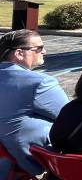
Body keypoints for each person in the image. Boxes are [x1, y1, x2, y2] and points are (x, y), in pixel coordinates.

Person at [0, 30, 69, 178]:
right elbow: (69, 116)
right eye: (38, 48)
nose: (44, 51)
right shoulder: (39, 82)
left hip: (5, 154)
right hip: (31, 159)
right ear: (19, 53)